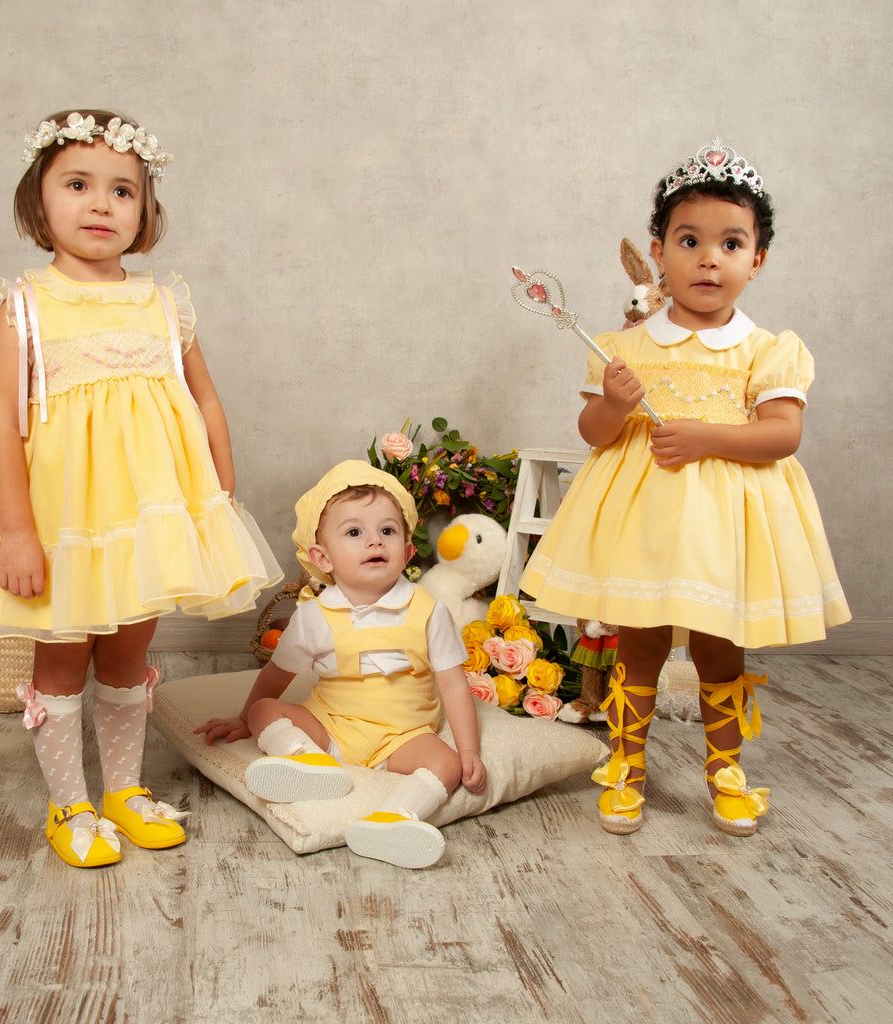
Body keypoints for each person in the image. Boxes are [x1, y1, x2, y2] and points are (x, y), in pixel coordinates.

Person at [0, 110, 282, 867]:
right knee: (61, 658)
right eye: (78, 185)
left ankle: (123, 791)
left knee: (127, 654)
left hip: (145, 519)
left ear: (145, 211)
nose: (101, 204)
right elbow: (0, 425)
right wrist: (17, 533)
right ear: (38, 200)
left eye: (123, 191)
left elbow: (205, 400)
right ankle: (69, 805)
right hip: (63, 521)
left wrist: (218, 491)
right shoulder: (25, 306)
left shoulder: (163, 304)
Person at [519, 138, 851, 837]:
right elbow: (595, 433)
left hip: (723, 527)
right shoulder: (625, 346)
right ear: (658, 252)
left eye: (731, 244)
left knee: (717, 647)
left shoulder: (767, 349)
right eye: (690, 240)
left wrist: (705, 436)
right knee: (639, 642)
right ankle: (627, 767)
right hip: (644, 522)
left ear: (756, 260)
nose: (709, 259)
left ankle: (725, 771)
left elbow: (782, 433)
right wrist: (615, 403)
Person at [195, 461, 487, 868]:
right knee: (264, 710)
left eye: (388, 531)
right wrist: (246, 718)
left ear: (407, 552)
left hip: (403, 735)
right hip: (330, 726)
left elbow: (454, 685)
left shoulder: (429, 611)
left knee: (447, 764)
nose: (374, 541)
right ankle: (304, 760)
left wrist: (469, 749)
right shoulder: (314, 617)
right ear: (323, 557)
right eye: (354, 533)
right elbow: (277, 673)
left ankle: (394, 819)